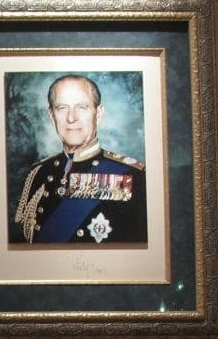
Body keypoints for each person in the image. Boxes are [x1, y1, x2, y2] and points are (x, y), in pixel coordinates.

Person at [11, 75, 147, 245]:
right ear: (52, 116)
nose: (71, 118)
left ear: (98, 114)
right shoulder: (38, 173)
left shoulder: (133, 176)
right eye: (62, 108)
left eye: (82, 107)